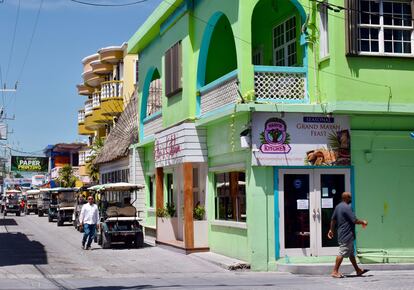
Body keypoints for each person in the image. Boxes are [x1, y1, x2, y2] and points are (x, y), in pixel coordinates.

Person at [328, 191, 369, 278]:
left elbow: (333, 220)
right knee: (342, 252)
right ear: (346, 198)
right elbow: (354, 220)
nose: (351, 199)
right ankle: (335, 271)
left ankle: (358, 270)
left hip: (343, 234)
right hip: (346, 234)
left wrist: (331, 230)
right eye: (350, 197)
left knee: (351, 254)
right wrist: (363, 222)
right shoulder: (347, 207)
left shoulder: (338, 207)